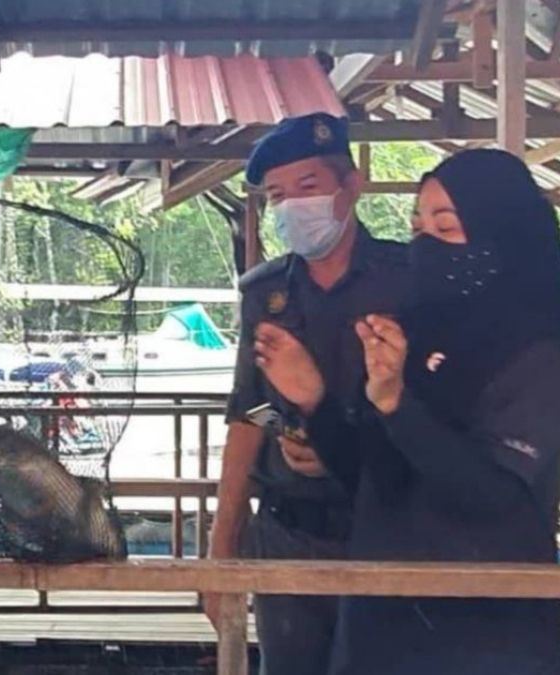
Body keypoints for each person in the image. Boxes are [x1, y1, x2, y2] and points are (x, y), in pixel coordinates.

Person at [255, 149, 560, 674]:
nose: (426, 245)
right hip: (383, 619)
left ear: (503, 233)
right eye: (418, 227)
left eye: (447, 227)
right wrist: (317, 402)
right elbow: (374, 479)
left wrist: (398, 405)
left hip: (486, 630)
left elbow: (493, 496)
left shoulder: (538, 352)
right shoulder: (413, 336)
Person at [204, 113, 410, 675]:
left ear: (351, 187)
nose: (293, 205)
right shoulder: (264, 292)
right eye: (277, 195)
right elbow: (247, 415)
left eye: (309, 187)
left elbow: (429, 412)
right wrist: (221, 551)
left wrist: (338, 442)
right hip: (288, 532)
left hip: (384, 532)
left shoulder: (406, 278)